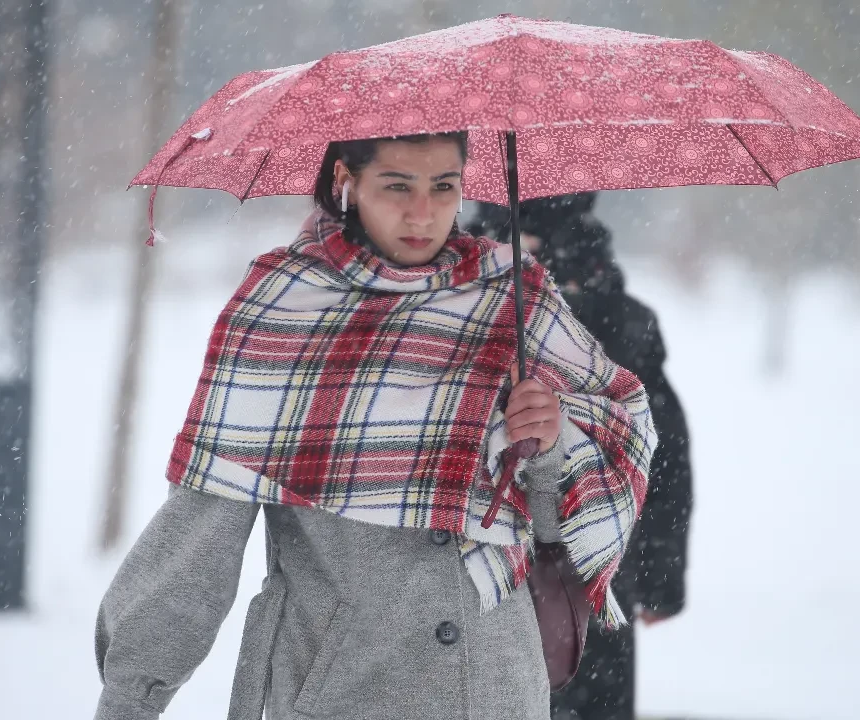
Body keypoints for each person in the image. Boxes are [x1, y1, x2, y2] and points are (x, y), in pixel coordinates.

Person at [92, 133, 659, 720]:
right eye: (397, 186)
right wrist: (132, 698)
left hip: (493, 690)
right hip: (340, 690)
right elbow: (196, 546)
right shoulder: (281, 309)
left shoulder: (514, 300)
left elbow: (555, 526)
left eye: (444, 186)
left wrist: (549, 441)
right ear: (348, 179)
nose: (424, 212)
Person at [468, 194, 694, 720]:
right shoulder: (618, 311)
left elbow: (660, 450)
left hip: (569, 551)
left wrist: (662, 579)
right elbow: (667, 453)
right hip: (573, 551)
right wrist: (661, 580)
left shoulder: (473, 290)